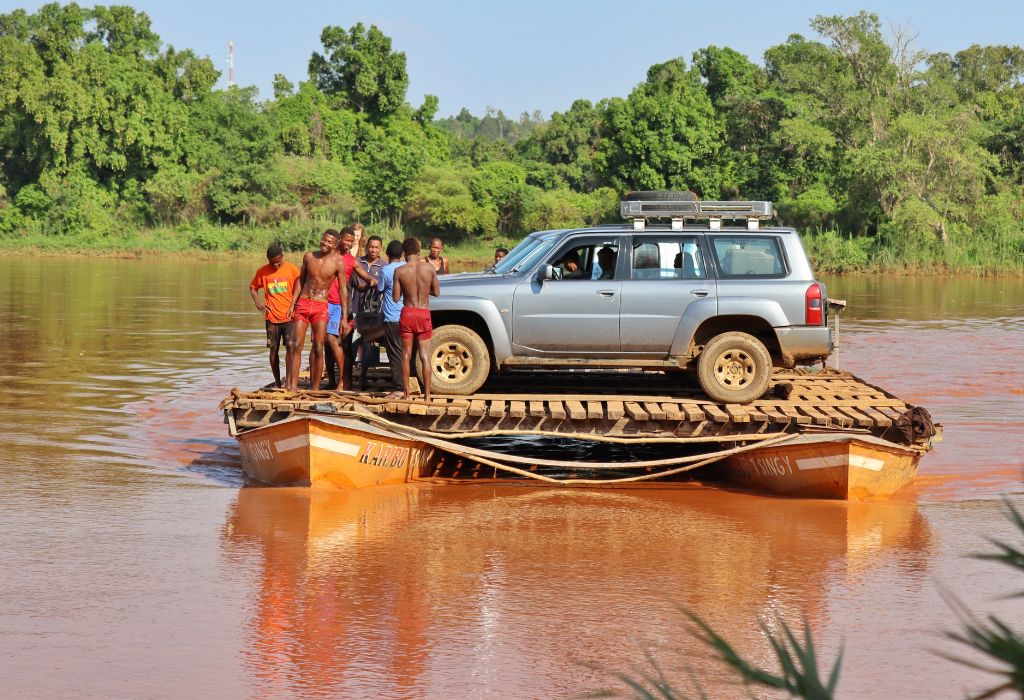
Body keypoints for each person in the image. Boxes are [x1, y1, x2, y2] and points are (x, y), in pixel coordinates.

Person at [284, 230, 348, 392]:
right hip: (304, 303)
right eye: (324, 240)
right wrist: (293, 303)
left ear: (336, 244)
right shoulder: (309, 256)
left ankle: (315, 388)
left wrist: (344, 316)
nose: (325, 244)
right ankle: (292, 386)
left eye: (329, 242)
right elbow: (301, 280)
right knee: (295, 344)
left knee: (319, 346)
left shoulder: (338, 262)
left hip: (321, 306)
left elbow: (343, 290)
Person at [324, 226, 377, 390]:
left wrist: (372, 280)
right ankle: (332, 381)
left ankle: (344, 380)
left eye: (351, 241)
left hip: (340, 304)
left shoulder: (351, 261)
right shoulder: (329, 255)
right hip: (323, 303)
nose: (348, 244)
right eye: (346, 240)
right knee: (325, 344)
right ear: (339, 239)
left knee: (339, 343)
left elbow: (364, 275)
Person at [394, 238, 440, 401]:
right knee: (425, 355)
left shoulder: (399, 271)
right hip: (423, 313)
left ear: (404, 253)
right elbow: (437, 292)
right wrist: (425, 290)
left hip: (407, 313)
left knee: (406, 354)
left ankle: (406, 395)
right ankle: (427, 396)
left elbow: (395, 297)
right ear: (419, 251)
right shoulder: (429, 268)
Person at [249, 243, 300, 387]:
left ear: (283, 257)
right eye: (273, 262)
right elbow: (253, 288)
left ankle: (289, 381)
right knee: (273, 349)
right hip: (271, 317)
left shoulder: (292, 269)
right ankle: (278, 383)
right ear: (268, 259)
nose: (276, 265)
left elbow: (300, 284)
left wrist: (295, 304)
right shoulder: (262, 272)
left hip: (289, 315)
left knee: (290, 345)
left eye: (279, 261)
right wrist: (257, 302)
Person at [351, 235, 386, 388]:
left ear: (381, 249)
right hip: (356, 307)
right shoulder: (358, 262)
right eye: (371, 247)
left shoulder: (384, 266)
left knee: (369, 343)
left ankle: (363, 375)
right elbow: (354, 282)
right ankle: (349, 374)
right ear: (367, 247)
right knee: (352, 341)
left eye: (377, 247)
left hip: (374, 310)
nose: (373, 250)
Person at [379, 240, 412, 396]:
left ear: (387, 254)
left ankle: (399, 386)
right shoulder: (408, 268)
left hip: (392, 317)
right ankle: (409, 381)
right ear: (402, 254)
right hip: (408, 314)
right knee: (407, 350)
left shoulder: (386, 270)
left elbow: (380, 288)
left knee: (395, 352)